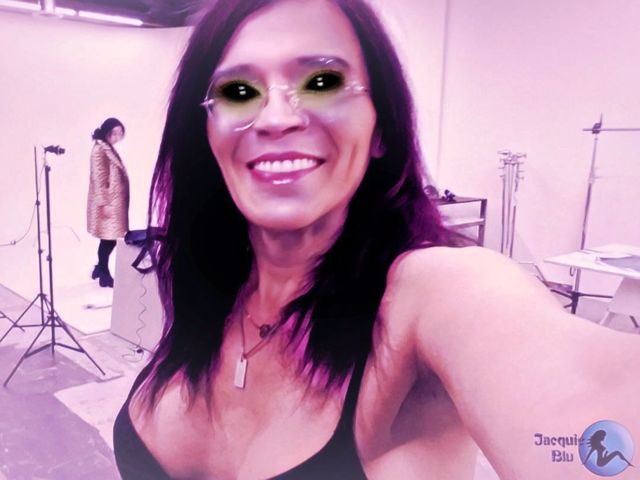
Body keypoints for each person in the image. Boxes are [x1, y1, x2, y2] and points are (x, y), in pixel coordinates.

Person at [113, 0, 640, 478]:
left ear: (382, 128)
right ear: (206, 132)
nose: (274, 118)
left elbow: (589, 399)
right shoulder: (210, 281)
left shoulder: (434, 292)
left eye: (322, 81)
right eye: (238, 91)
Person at [87, 117, 129, 288]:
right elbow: (98, 179)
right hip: (107, 204)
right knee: (108, 240)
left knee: (108, 239)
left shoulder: (107, 147)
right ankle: (104, 274)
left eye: (120, 133)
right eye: (115, 133)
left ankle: (99, 268)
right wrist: (104, 205)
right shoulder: (100, 150)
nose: (117, 137)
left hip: (113, 203)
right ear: (107, 132)